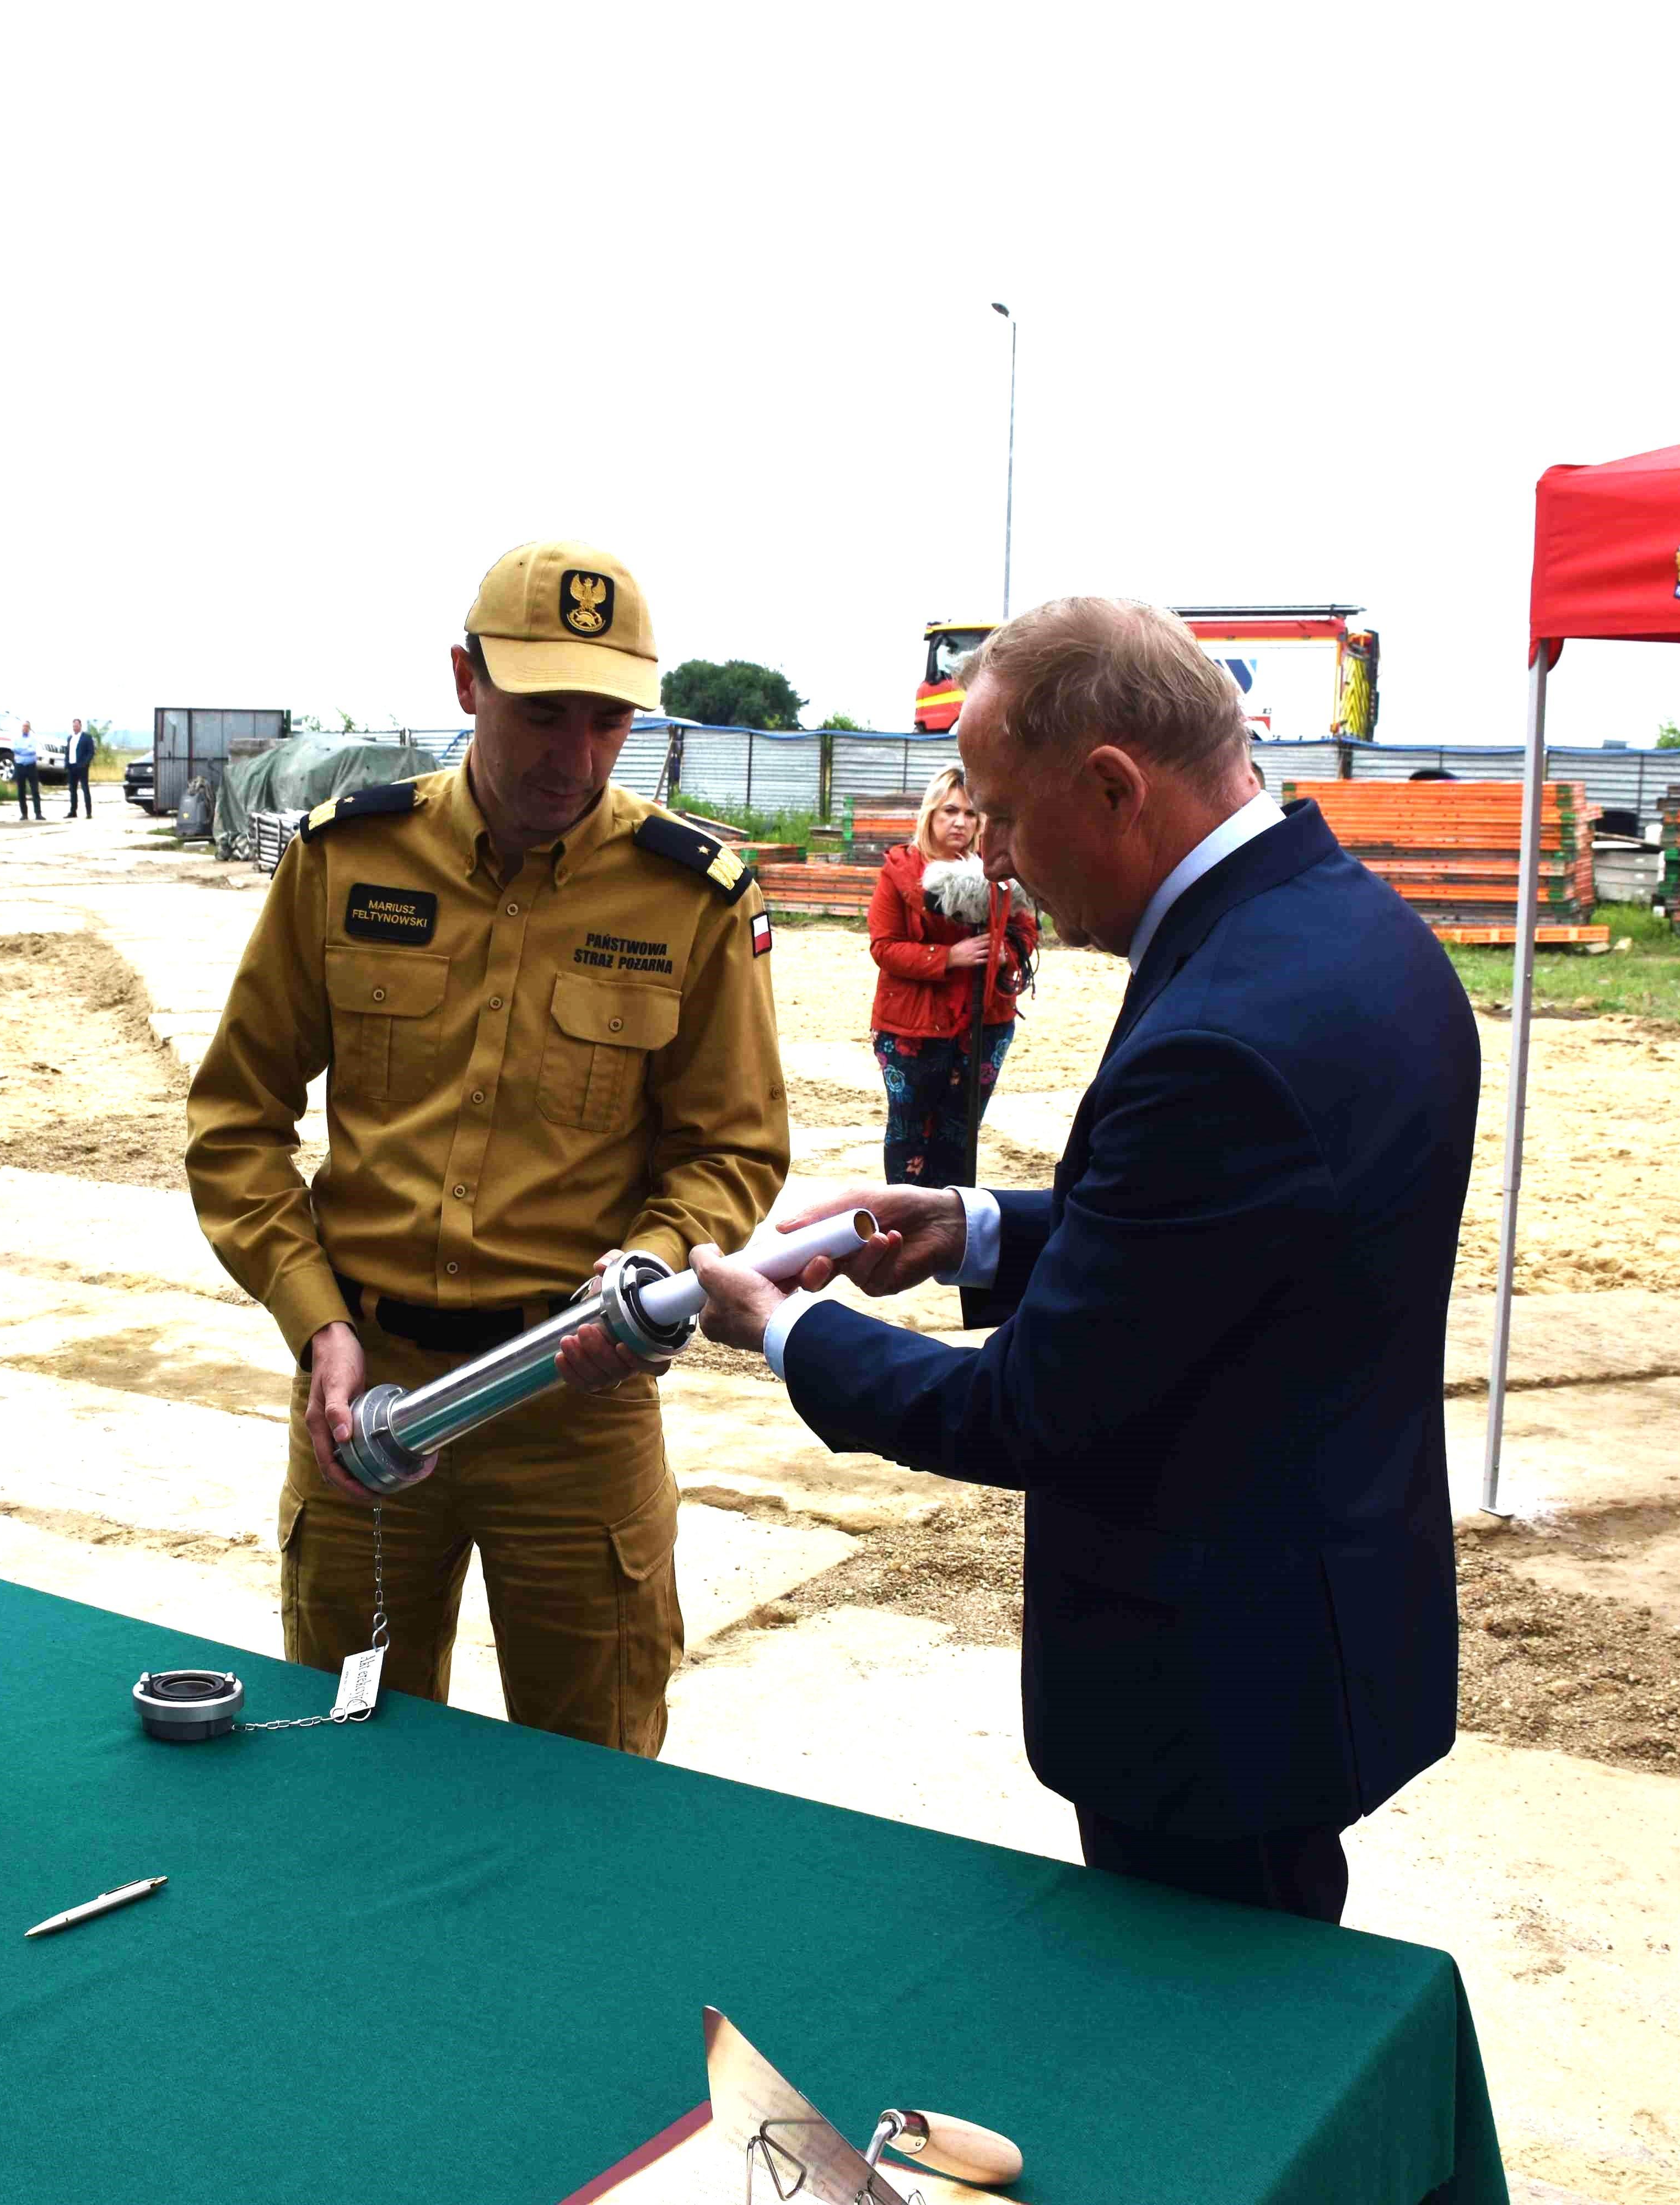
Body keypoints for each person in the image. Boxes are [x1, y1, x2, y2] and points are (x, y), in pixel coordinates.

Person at [690, 596, 1479, 1922]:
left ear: (1115, 787)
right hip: (1316, 1624)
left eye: (1004, 815)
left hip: (1212, 1700)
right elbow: (1224, 1240)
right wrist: (976, 1224)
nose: (995, 859)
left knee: (1203, 2011)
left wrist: (781, 1327)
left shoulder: (1218, 1033)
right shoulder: (1350, 931)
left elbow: (1030, 1407)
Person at [187, 538, 788, 1757]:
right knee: (348, 1756)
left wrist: (651, 1263)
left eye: (610, 721)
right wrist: (317, 1324)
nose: (577, 756)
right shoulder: (346, 860)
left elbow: (732, 1144)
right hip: (367, 1398)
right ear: (467, 681)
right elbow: (236, 1119)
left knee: (591, 1774)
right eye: (543, 712)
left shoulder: (690, 897)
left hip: (577, 1406)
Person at [866, 765, 1035, 1187]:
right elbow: (884, 946)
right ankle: (906, 1218)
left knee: (960, 1134)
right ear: (931, 815)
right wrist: (948, 957)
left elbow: (1026, 932)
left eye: (970, 813)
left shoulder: (1001, 871)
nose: (960, 822)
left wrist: (1006, 952)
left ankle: (953, 1219)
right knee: (909, 1133)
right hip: (912, 1026)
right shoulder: (900, 869)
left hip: (985, 1021)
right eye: (950, 811)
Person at [64, 717, 98, 818]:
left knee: (85, 789)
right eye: (74, 726)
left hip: (82, 768)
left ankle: (89, 812)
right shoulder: (70, 738)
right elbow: (68, 752)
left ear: (80, 726)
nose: (75, 727)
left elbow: (91, 752)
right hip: (72, 767)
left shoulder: (86, 737)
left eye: (77, 726)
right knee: (72, 791)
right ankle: (73, 812)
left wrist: (84, 764)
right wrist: (67, 763)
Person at [12, 723, 44, 820]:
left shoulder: (33, 738)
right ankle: (24, 814)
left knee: (35, 790)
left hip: (31, 766)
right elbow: (14, 749)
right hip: (20, 766)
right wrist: (26, 749)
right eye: (24, 726)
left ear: (30, 728)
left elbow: (33, 751)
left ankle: (38, 814)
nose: (25, 728)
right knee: (21, 791)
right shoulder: (16, 737)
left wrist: (21, 750)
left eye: (27, 727)